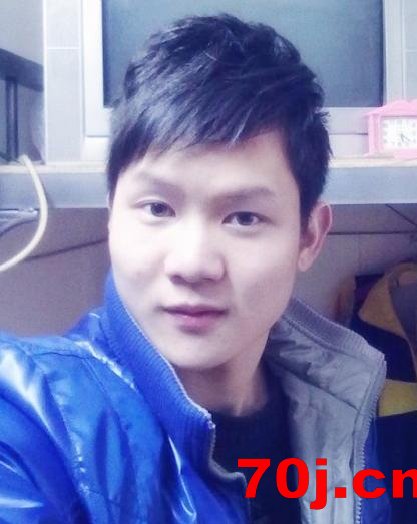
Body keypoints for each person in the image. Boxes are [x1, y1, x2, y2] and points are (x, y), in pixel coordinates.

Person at [0, 14, 390, 524]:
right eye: (158, 209)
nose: (192, 264)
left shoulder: (340, 408)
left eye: (243, 218)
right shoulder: (31, 421)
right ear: (112, 214)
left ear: (309, 236)